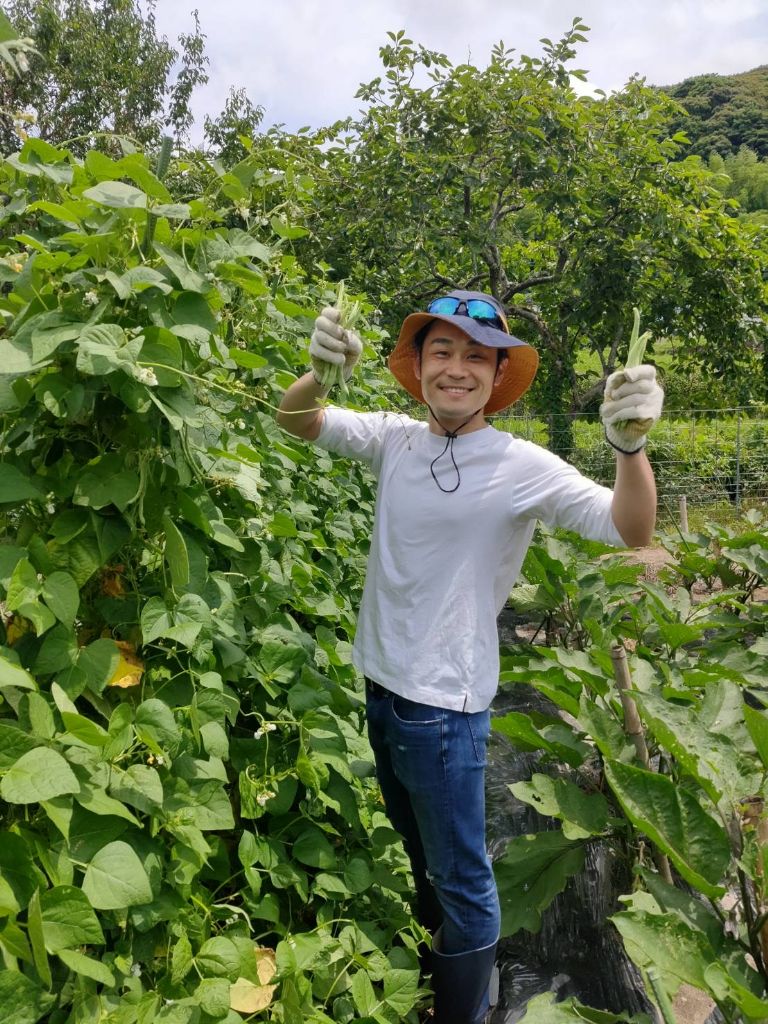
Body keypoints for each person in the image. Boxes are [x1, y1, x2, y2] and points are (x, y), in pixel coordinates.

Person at [276, 290, 663, 1024]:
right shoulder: (394, 438)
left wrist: (630, 446)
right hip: (382, 687)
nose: (456, 368)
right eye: (442, 351)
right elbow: (298, 421)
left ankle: (464, 1012)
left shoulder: (521, 465)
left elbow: (630, 530)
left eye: (475, 357)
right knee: (421, 853)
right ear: (417, 366)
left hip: (445, 709)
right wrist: (319, 374)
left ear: (497, 375)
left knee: (463, 879)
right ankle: (439, 975)